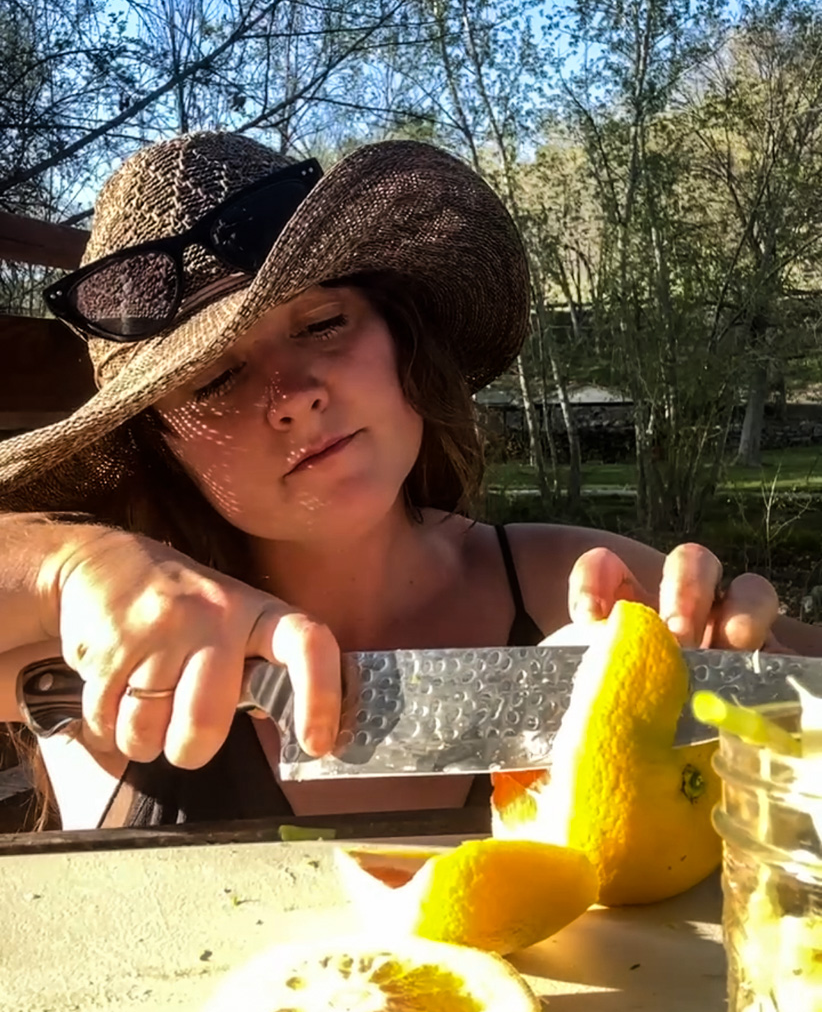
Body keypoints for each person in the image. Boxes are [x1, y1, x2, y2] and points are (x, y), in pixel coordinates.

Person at [0, 132, 789, 832]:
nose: (295, 393)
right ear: (161, 446)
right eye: (211, 382)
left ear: (400, 337)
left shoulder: (586, 594)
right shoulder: (97, 653)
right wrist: (67, 569)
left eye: (322, 324)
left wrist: (752, 681)